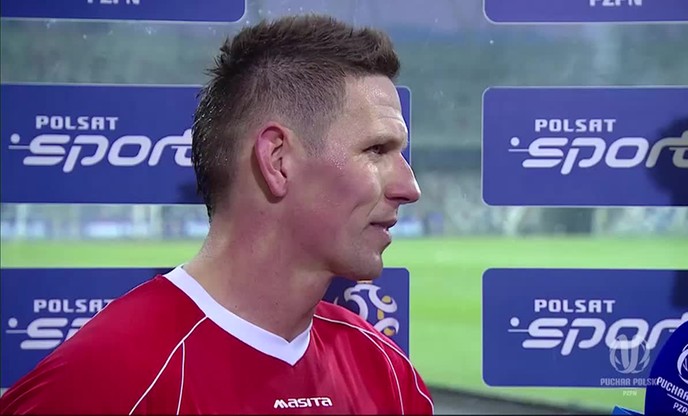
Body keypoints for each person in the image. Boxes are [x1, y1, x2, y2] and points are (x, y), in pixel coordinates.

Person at [0, 14, 432, 415]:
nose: (409, 188)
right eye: (377, 150)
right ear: (277, 160)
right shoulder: (106, 381)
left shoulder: (387, 372)